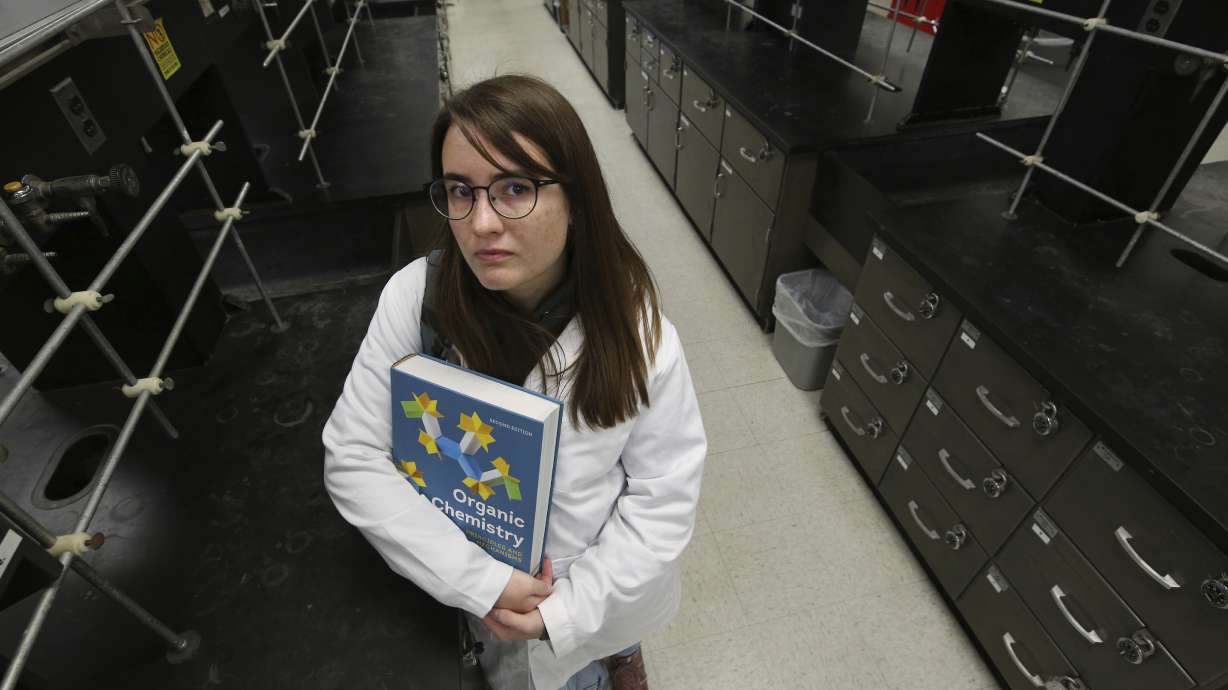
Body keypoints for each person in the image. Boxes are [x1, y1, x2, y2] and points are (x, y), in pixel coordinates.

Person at [322, 75, 707, 690]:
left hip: (593, 595)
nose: (481, 224)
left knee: (592, 661)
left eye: (514, 189)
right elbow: (353, 456)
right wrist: (480, 581)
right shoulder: (416, 300)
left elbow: (662, 497)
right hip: (475, 586)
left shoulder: (640, 336)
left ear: (576, 200)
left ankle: (618, 656)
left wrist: (564, 614)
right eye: (459, 192)